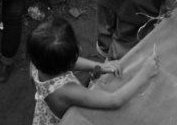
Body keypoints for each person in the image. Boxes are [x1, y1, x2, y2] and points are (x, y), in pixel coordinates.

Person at [27, 16, 158, 124]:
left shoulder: (38, 59)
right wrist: (145, 74)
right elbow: (114, 100)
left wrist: (98, 66)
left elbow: (66, 63)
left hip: (44, 114)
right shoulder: (67, 91)